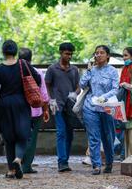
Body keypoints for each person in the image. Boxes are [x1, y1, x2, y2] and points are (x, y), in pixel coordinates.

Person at [0, 40, 41, 179]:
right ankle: (18, 159)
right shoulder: (23, 64)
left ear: (3, 52)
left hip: (4, 104)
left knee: (8, 137)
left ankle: (10, 170)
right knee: (24, 134)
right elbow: (38, 79)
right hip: (21, 102)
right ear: (16, 51)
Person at [80, 45, 119, 175]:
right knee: (93, 137)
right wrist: (89, 70)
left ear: (108, 56)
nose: (99, 55)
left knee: (108, 136)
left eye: (102, 53)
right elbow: (81, 84)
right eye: (97, 53)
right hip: (90, 106)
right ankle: (96, 165)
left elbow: (115, 89)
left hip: (106, 106)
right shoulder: (92, 70)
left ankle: (109, 162)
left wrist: (104, 97)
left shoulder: (112, 71)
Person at [45, 42, 80, 172]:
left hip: (70, 105)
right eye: (66, 53)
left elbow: (78, 86)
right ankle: (62, 162)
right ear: (61, 53)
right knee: (61, 132)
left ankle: (65, 160)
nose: (69, 56)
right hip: (57, 104)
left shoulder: (74, 69)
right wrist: (50, 99)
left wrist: (74, 93)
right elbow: (47, 84)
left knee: (70, 133)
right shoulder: (52, 69)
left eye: (71, 54)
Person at [19, 48, 50, 174]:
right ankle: (26, 166)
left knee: (20, 137)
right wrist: (45, 109)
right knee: (32, 138)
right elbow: (44, 94)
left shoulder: (15, 72)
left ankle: (17, 162)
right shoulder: (37, 72)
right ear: (31, 59)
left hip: (19, 111)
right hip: (35, 110)